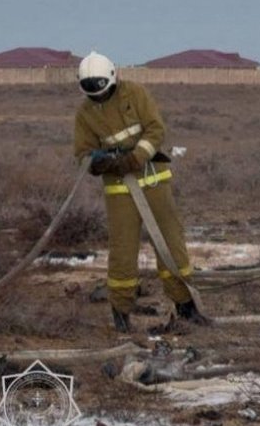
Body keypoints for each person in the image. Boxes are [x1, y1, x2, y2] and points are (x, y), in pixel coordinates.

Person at [72, 51, 207, 333]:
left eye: (102, 92)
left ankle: (186, 308)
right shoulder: (85, 113)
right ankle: (121, 315)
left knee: (171, 245)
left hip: (153, 180)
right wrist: (99, 163)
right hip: (120, 190)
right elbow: (83, 153)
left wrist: (135, 158)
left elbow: (155, 129)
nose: (98, 98)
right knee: (122, 253)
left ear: (112, 78)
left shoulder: (135, 94)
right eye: (92, 94)